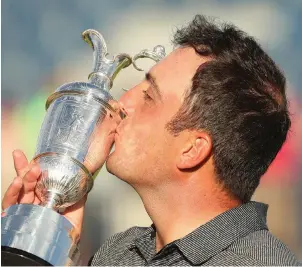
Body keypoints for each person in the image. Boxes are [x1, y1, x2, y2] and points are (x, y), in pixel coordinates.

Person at [2, 15, 300, 266]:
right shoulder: (121, 253)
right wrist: (39, 236)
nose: (122, 104)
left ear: (192, 149)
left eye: (148, 97)